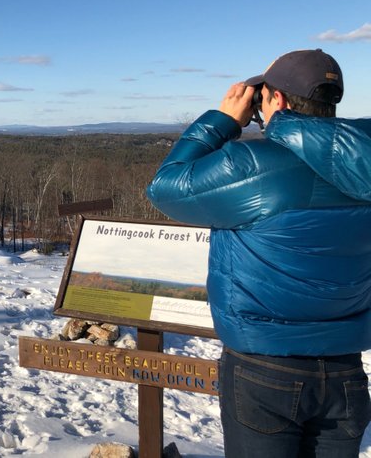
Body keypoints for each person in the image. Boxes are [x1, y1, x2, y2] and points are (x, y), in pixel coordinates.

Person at [146, 49, 371, 457]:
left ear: (277, 101)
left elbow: (165, 188)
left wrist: (223, 122)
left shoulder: (250, 163)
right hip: (346, 367)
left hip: (264, 365)